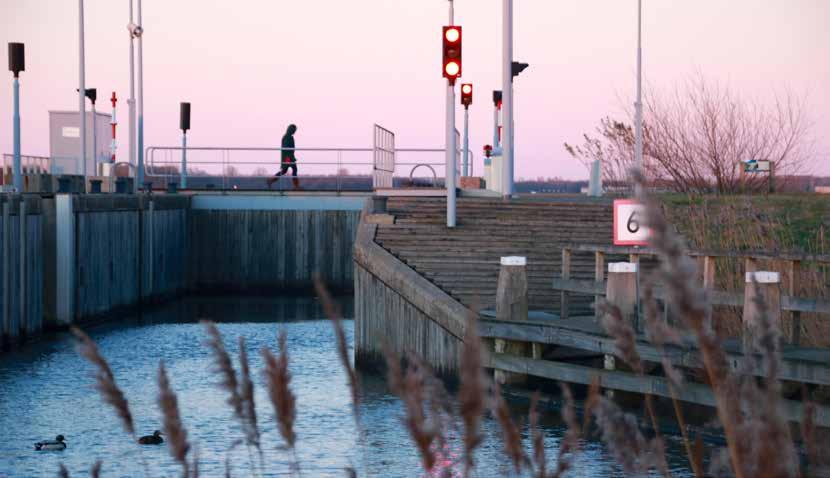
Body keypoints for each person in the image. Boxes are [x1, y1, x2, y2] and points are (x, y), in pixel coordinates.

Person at [267, 124, 300, 188]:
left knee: (284, 171)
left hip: (290, 157)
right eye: (294, 130)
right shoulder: (286, 137)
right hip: (288, 157)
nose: (294, 132)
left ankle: (270, 180)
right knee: (294, 169)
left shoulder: (289, 137)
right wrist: (289, 158)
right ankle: (296, 186)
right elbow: (286, 148)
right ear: (291, 130)